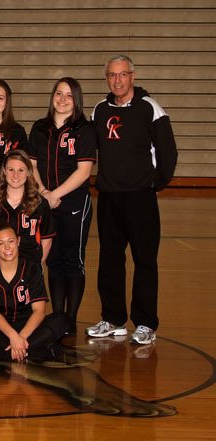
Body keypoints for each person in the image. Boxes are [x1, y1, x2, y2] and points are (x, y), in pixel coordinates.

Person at [88, 55, 177, 345]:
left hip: (140, 197)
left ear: (132, 76)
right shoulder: (99, 111)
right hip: (109, 196)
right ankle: (113, 319)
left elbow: (168, 153)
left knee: (144, 261)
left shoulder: (150, 109)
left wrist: (155, 184)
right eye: (112, 75)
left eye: (122, 74)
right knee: (110, 259)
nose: (117, 80)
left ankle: (146, 323)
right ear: (107, 78)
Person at [27, 77, 96, 335]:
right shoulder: (39, 127)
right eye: (59, 93)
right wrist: (44, 193)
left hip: (74, 204)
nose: (63, 99)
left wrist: (56, 194)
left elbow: (84, 171)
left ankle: (70, 320)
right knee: (53, 261)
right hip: (46, 202)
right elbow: (31, 165)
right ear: (52, 96)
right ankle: (56, 317)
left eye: (69, 95)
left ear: (76, 99)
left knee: (72, 260)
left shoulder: (84, 130)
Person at [0, 224, 69, 362]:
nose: (7, 248)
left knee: (61, 320)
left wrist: (20, 338)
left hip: (28, 326)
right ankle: (32, 351)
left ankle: (6, 353)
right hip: (1, 328)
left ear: (18, 241)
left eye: (10, 241)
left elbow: (39, 311)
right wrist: (13, 336)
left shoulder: (32, 268)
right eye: (1, 243)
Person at [0, 150, 55, 265]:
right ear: (4, 171)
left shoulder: (40, 204)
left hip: (30, 268)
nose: (15, 175)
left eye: (21, 170)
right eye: (11, 170)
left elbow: (47, 241)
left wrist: (36, 267)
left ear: (28, 172)